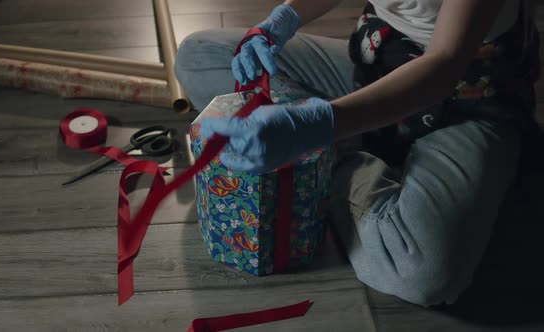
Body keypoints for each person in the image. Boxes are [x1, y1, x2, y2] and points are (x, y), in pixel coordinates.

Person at [174, 0, 541, 306]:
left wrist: (319, 126)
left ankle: (329, 157)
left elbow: (444, 64)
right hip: (379, 63)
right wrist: (282, 18)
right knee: (200, 56)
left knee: (419, 266)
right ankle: (334, 134)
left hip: (471, 97)